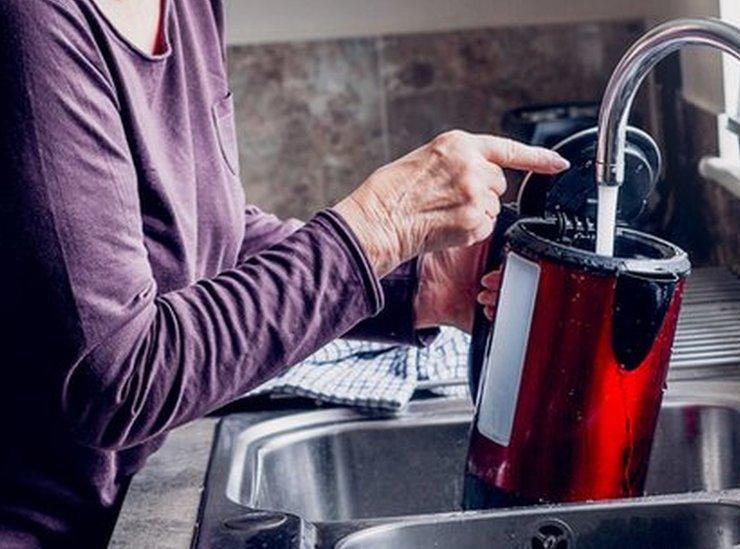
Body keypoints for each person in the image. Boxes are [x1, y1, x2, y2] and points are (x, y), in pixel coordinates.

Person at [0, 0, 568, 546]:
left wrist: (417, 285)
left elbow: (205, 235)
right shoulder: (30, 21)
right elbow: (120, 378)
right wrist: (376, 229)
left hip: (120, 508)